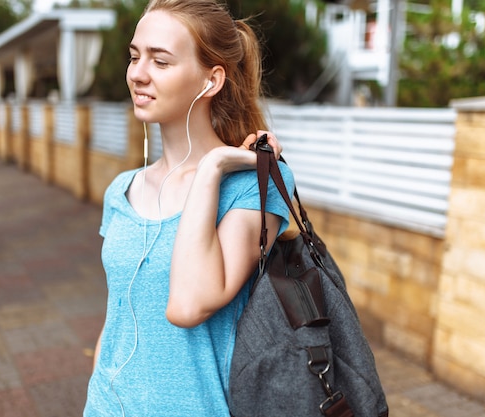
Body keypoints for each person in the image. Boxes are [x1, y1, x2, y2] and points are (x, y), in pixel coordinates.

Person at [83, 0, 295, 415]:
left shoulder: (253, 186)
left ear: (211, 80)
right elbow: (117, 320)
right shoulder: (121, 191)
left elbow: (188, 305)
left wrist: (213, 166)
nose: (137, 74)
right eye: (134, 56)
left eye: (160, 61)